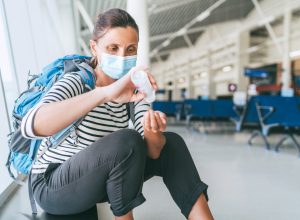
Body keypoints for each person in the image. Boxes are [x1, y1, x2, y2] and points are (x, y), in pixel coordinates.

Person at [21, 8, 213, 220]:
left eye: (130, 50)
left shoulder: (135, 88)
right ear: (95, 47)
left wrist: (153, 130)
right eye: (113, 48)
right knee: (127, 140)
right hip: (52, 185)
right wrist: (105, 93)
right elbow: (31, 125)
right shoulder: (77, 80)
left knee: (172, 143)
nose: (122, 57)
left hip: (95, 179)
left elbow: (155, 152)